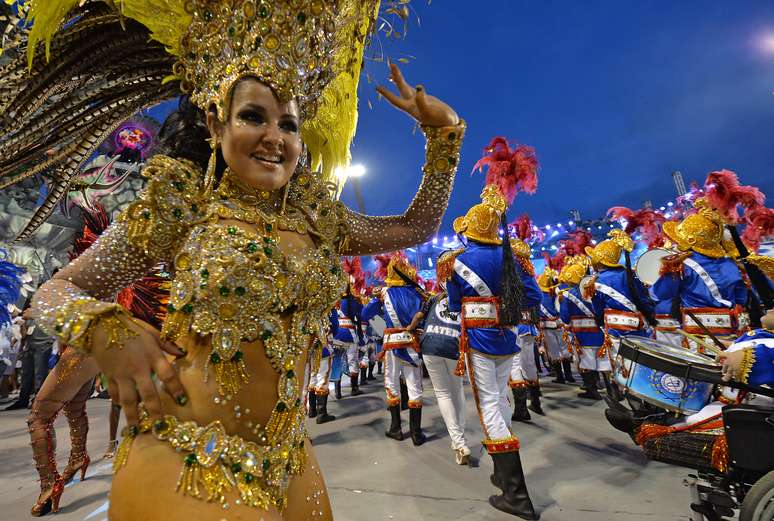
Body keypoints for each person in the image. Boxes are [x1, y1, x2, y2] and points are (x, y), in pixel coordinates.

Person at [17, 2, 464, 519]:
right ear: (215, 122)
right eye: (254, 116)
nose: (275, 137)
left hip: (291, 458)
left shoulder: (319, 218)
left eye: (289, 124)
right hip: (189, 452)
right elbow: (53, 293)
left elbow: (414, 227)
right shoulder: (181, 207)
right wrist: (108, 331)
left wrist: (445, 136)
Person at [447, 136, 542, 519]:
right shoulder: (513, 258)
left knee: (489, 407)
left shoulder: (455, 262)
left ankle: (517, 496)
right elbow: (534, 298)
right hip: (508, 337)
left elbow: (455, 305)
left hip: (480, 340)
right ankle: (502, 480)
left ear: (469, 230)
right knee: (500, 401)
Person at [652, 198, 748, 352]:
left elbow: (660, 293)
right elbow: (742, 298)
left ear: (690, 240)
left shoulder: (681, 265)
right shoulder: (732, 263)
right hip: (735, 335)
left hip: (701, 339)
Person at [408, 249, 471, 464]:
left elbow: (418, 316)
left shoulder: (434, 298)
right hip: (453, 344)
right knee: (457, 391)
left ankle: (458, 441)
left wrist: (410, 328)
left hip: (430, 345)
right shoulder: (466, 298)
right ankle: (459, 439)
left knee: (443, 394)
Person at [363, 252, 428, 446]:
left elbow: (366, 313)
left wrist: (377, 305)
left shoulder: (384, 293)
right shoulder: (418, 292)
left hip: (391, 345)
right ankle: (416, 434)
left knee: (392, 384)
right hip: (412, 344)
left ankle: (396, 428)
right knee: (415, 387)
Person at [585, 229, 655, 400]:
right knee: (640, 362)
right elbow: (645, 301)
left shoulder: (596, 282)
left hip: (616, 331)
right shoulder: (630, 275)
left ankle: (629, 397)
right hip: (639, 327)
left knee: (621, 363)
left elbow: (598, 309)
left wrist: (601, 323)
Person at [559, 256, 606, 400]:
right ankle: (612, 391)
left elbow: (565, 317)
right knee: (603, 361)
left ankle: (592, 390)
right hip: (599, 332)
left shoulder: (568, 294)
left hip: (582, 335)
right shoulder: (594, 287)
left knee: (586, 361)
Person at [508, 238, 544, 421]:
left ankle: (522, 409)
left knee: (514, 365)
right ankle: (535, 401)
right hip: (527, 326)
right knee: (528, 364)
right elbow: (536, 296)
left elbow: (535, 297)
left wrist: (513, 307)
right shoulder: (525, 270)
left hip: (513, 324)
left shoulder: (510, 268)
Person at [536, 268, 575, 383]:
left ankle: (560, 377)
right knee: (565, 350)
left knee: (554, 351)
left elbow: (539, 313)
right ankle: (569, 375)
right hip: (560, 324)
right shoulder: (560, 294)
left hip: (547, 327)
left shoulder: (540, 297)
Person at [308, 310, 337, 424]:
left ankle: (312, 409)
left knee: (312, 377)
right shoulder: (329, 309)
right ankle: (322, 413)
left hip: (310, 349)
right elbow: (335, 326)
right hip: (323, 347)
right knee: (322, 379)